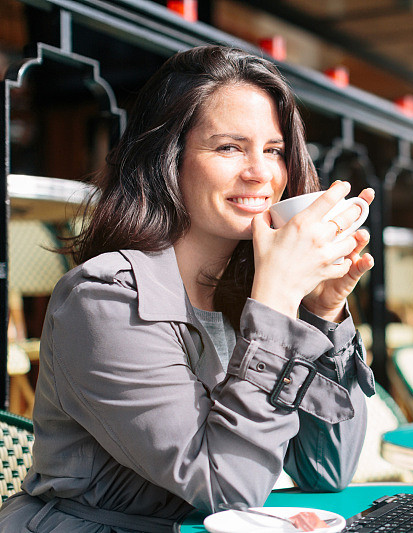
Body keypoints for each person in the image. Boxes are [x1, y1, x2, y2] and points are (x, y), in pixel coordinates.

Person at [0, 45, 375, 532]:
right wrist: (279, 303)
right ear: (168, 159)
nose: (260, 173)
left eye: (274, 150)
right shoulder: (105, 300)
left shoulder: (250, 296)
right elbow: (226, 488)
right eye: (228, 147)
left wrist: (321, 314)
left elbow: (327, 470)